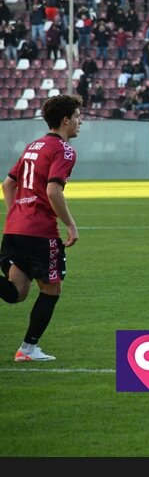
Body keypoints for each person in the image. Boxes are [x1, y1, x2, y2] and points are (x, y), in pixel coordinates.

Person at [1, 94, 83, 362]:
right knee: (51, 290)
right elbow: (53, 190)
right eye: (78, 117)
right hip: (40, 232)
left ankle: (27, 350)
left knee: (17, 292)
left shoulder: (33, 146)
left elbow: (7, 184)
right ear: (65, 120)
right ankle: (27, 349)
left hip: (14, 230)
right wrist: (70, 224)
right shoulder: (64, 150)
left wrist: (16, 213)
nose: (80, 121)